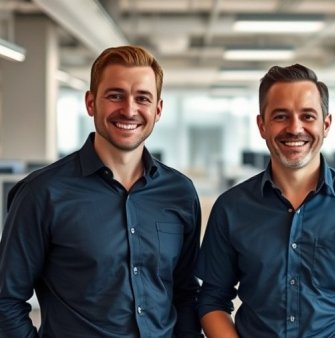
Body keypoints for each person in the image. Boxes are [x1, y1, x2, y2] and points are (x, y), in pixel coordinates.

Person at [0, 45, 203, 337]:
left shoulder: (180, 192)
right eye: (115, 95)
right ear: (91, 102)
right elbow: (6, 300)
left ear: (157, 110)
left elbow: (184, 293)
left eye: (142, 98)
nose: (129, 109)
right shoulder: (42, 193)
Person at [196, 64, 335, 337]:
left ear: (326, 124)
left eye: (307, 116)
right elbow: (212, 299)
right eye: (281, 116)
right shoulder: (230, 208)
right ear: (262, 125)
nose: (295, 128)